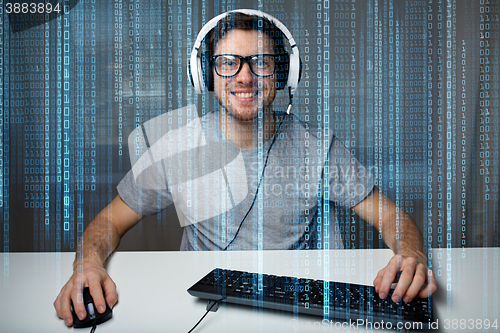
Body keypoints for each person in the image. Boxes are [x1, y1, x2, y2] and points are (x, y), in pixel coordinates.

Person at [54, 9, 437, 327]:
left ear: (283, 74)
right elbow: (109, 222)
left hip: (297, 310)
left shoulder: (319, 148)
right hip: (206, 311)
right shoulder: (175, 148)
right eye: (227, 63)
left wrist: (412, 255)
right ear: (205, 75)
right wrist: (86, 266)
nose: (244, 76)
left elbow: (392, 217)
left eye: (262, 62)